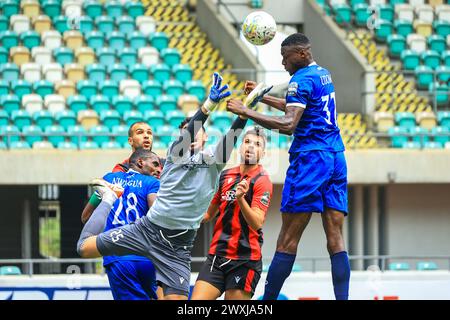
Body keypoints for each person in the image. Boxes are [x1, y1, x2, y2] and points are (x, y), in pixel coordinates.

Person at [76, 72, 272, 300]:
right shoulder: (174, 155)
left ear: (207, 138)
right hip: (147, 230)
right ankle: (108, 198)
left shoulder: (215, 161)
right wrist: (208, 106)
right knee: (84, 249)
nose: (194, 134)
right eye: (190, 132)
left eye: (200, 131)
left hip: (178, 246)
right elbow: (189, 132)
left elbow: (232, 137)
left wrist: (245, 112)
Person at [226, 33, 350, 300]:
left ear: (302, 54)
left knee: (287, 239)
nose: (283, 63)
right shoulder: (322, 74)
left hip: (310, 160)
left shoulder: (300, 79)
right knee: (335, 237)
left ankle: (267, 301)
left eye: (286, 57)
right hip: (335, 155)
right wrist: (261, 97)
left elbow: (289, 123)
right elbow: (299, 107)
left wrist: (244, 111)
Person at [191, 126, 273, 300]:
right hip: (217, 255)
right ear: (240, 147)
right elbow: (208, 215)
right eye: (247, 142)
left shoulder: (262, 180)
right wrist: (181, 214)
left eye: (257, 144)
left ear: (263, 153)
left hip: (245, 260)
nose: (251, 147)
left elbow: (257, 222)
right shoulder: (225, 175)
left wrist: (241, 199)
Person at [93, 148, 162, 300]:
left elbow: (86, 216)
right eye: (155, 164)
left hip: (118, 257)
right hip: (146, 257)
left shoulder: (108, 179)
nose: (159, 169)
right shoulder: (152, 183)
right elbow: (157, 216)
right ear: (140, 162)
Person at [81, 122, 158, 224]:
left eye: (149, 133)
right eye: (140, 132)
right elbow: (87, 215)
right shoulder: (119, 170)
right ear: (130, 140)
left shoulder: (162, 165)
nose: (146, 136)